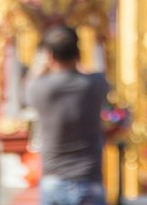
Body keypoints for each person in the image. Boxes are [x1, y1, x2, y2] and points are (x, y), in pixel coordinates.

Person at [25, 25, 107, 205]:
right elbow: (96, 72)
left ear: (49, 56)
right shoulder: (95, 85)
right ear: (78, 53)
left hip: (54, 181)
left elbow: (31, 82)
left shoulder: (39, 89)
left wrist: (44, 63)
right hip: (89, 179)